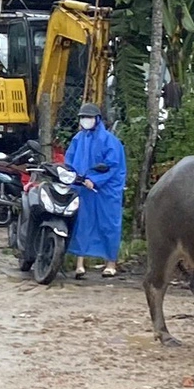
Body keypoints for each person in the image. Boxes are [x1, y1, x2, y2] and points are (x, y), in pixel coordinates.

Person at [66, 102, 127, 279]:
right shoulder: (78, 139)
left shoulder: (110, 141)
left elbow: (113, 165)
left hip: (105, 191)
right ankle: (79, 264)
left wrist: (95, 180)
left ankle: (110, 263)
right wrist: (74, 177)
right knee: (81, 224)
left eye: (89, 117)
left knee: (109, 224)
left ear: (97, 119)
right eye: (83, 117)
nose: (86, 120)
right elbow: (70, 161)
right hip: (82, 189)